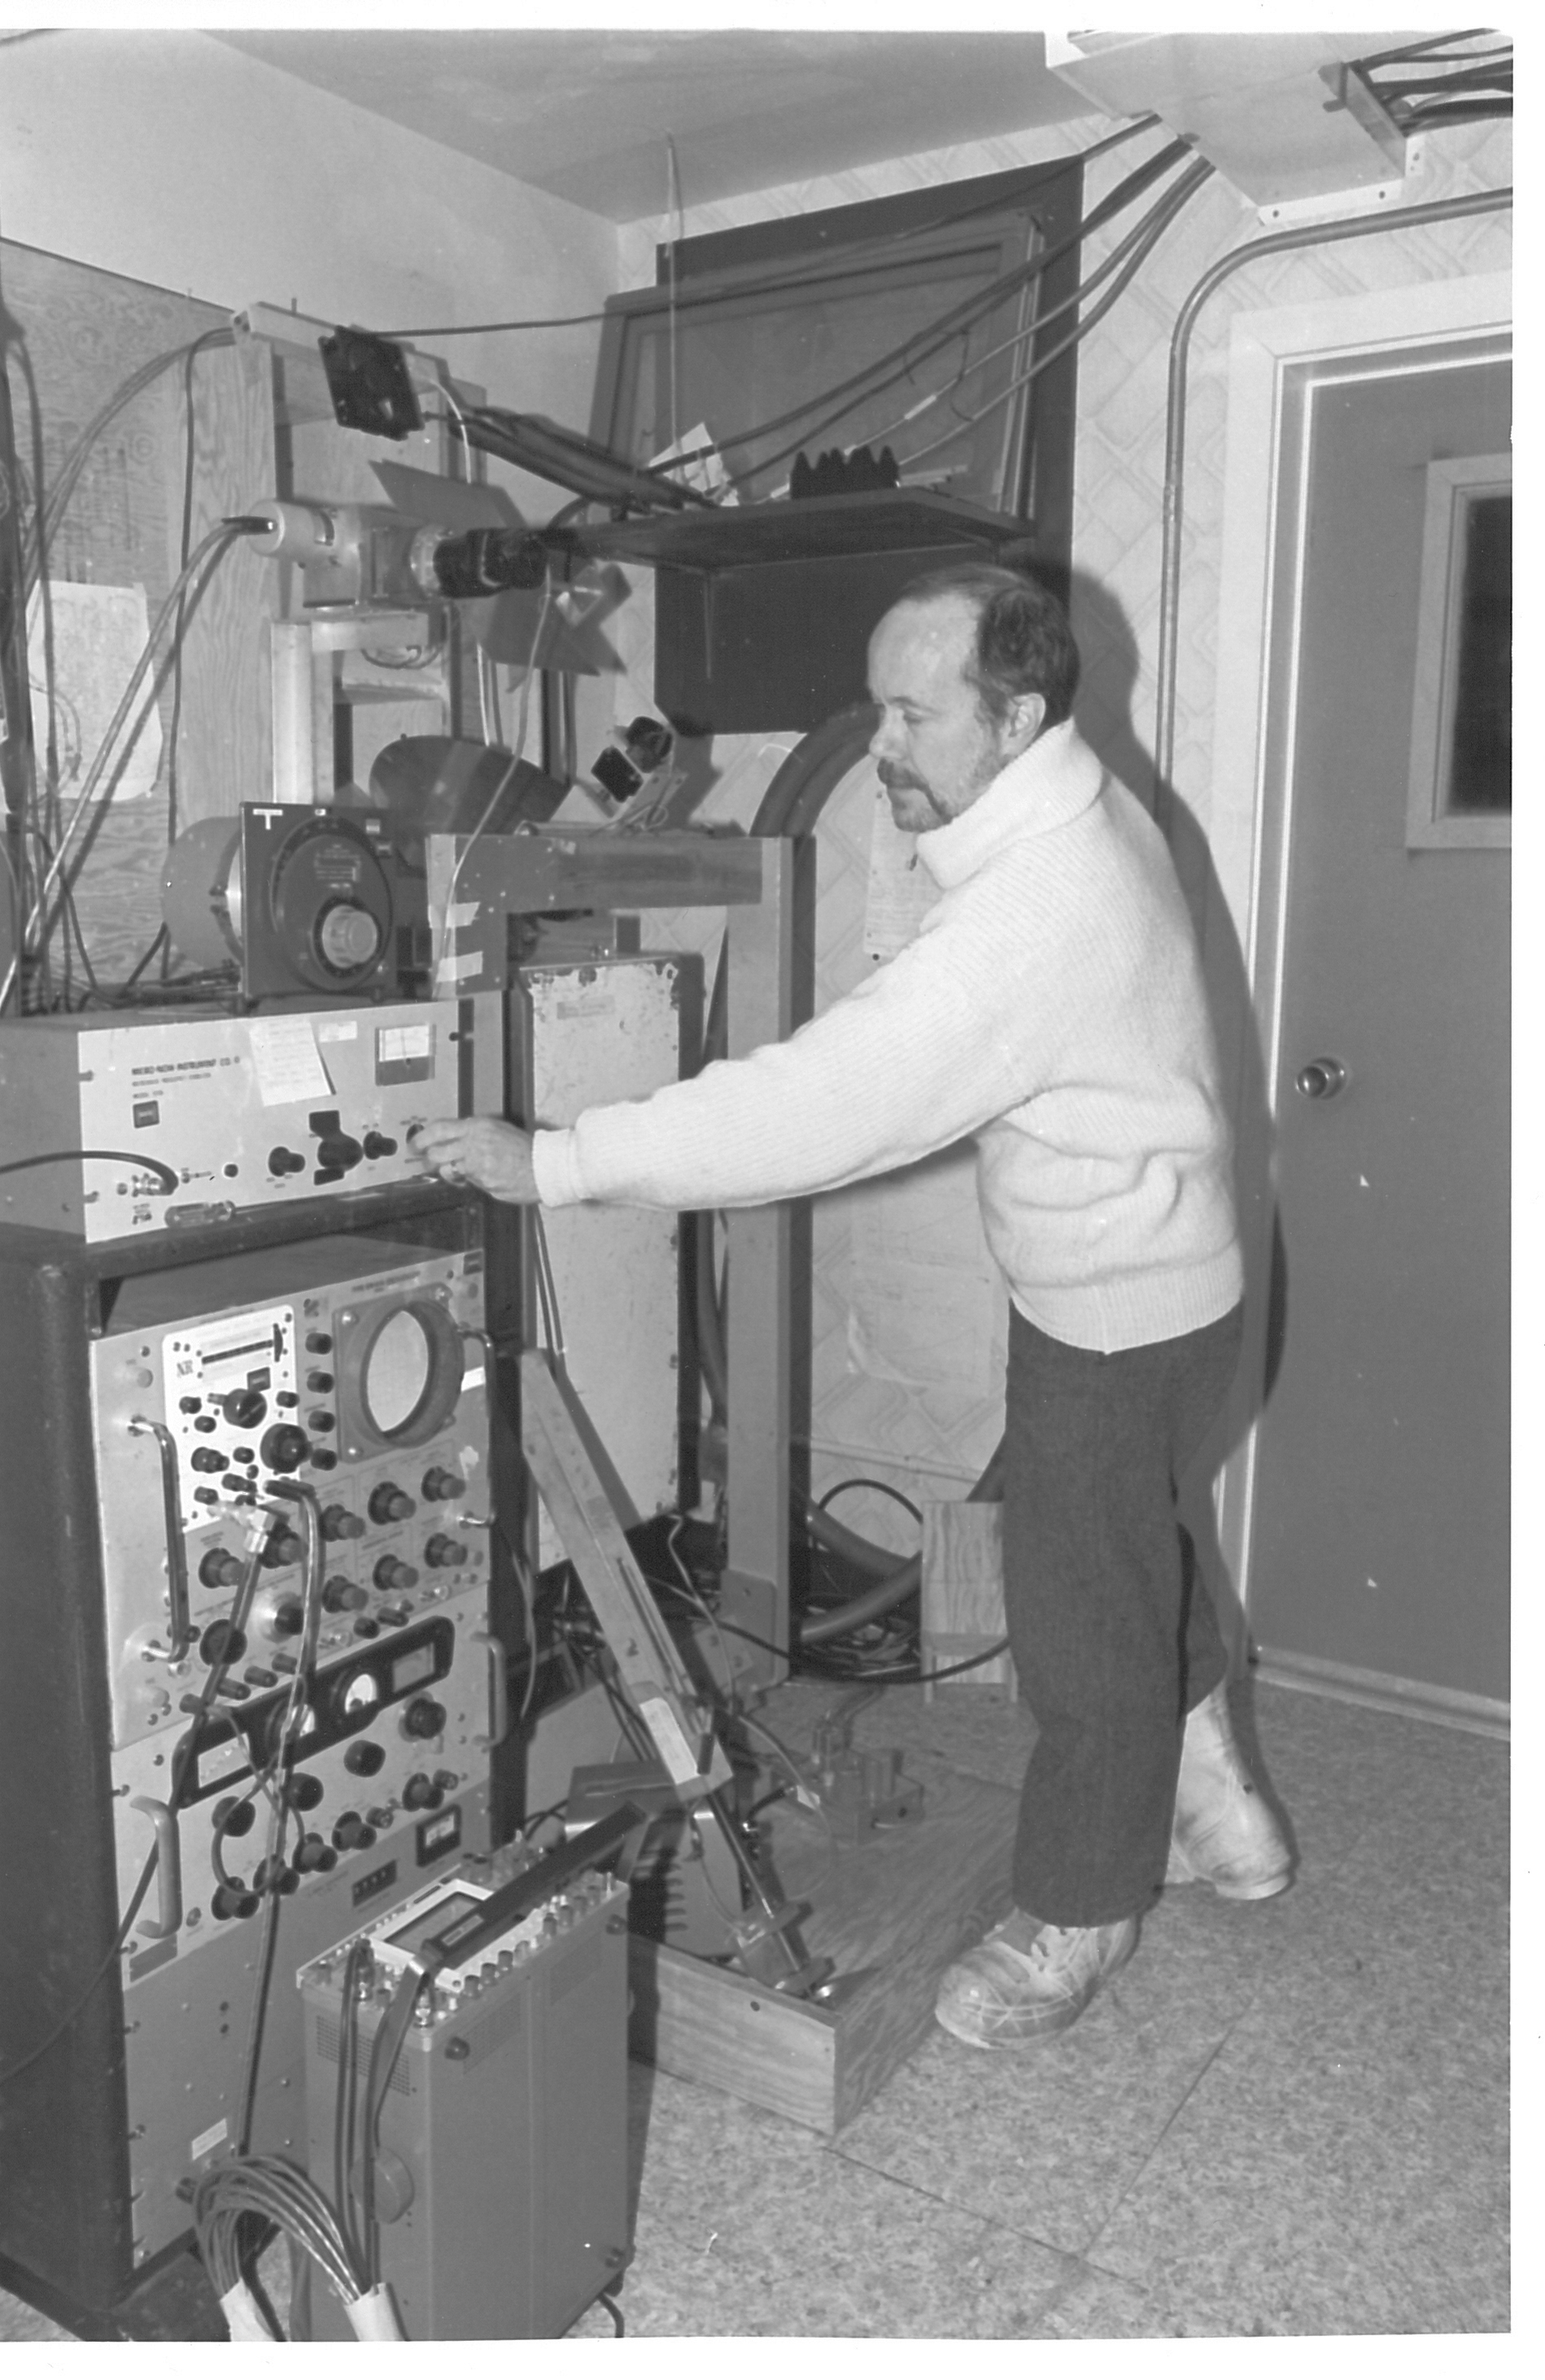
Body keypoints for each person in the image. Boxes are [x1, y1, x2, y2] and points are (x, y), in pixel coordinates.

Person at [413, 563, 1290, 2050]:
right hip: (1192, 1283)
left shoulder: (1033, 909)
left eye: (911, 712)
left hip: (1116, 1309)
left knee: (1080, 1613)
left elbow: (822, 1105)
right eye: (875, 706)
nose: (881, 744)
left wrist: (558, 1160)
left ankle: (1080, 1911)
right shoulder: (1095, 799)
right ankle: (1225, 1812)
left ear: (1015, 718)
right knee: (1127, 1537)